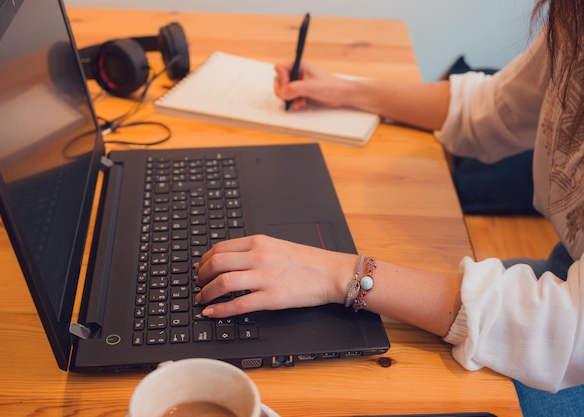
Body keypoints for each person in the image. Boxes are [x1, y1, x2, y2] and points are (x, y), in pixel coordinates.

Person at [195, 0, 583, 414]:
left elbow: (560, 329)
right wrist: (343, 89)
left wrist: (340, 274)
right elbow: (491, 110)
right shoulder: (573, 20)